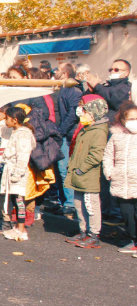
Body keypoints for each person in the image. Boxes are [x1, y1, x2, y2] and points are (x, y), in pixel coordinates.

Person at [63, 96, 108, 248]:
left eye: (86, 112)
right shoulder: (86, 129)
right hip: (79, 174)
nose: (83, 114)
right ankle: (84, 231)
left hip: (88, 175)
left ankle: (94, 234)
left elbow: (96, 155)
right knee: (79, 204)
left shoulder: (99, 131)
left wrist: (82, 169)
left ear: (95, 113)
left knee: (91, 206)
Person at [103, 101, 137, 255]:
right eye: (131, 119)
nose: (134, 122)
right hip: (121, 182)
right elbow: (108, 155)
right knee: (127, 213)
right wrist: (110, 172)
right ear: (123, 121)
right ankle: (134, 240)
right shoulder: (117, 136)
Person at [0, 106, 36, 241]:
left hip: (18, 171)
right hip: (12, 169)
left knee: (20, 200)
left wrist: (18, 173)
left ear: (15, 120)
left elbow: (23, 156)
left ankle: (21, 229)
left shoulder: (23, 134)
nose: (5, 121)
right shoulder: (16, 132)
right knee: (16, 199)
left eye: (7, 118)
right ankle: (18, 227)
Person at [55, 63, 84, 213]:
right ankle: (63, 201)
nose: (55, 71)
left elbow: (73, 113)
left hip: (67, 135)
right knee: (59, 169)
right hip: (61, 134)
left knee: (64, 168)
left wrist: (61, 131)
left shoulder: (74, 91)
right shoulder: (62, 89)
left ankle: (70, 203)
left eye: (58, 70)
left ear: (65, 74)